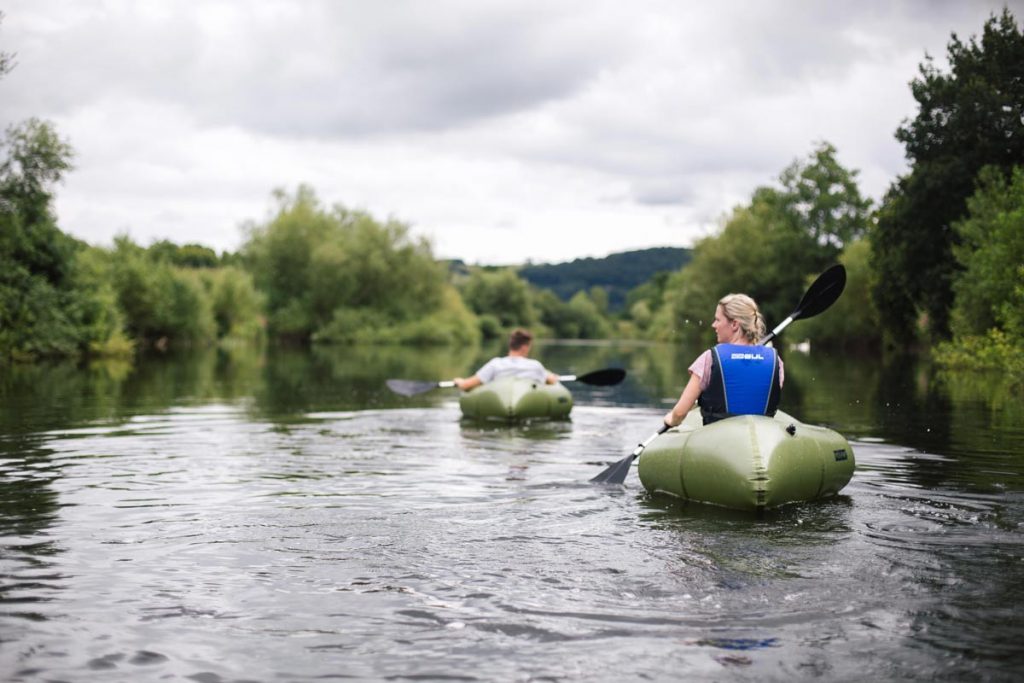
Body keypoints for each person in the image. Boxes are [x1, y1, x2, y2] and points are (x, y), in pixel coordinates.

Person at [663, 293, 784, 428]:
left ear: (734, 324)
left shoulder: (710, 358)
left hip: (719, 439)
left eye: (718, 320)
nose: (713, 325)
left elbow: (679, 413)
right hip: (762, 434)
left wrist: (671, 420)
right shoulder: (775, 361)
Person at [454, 328, 559, 391]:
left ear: (511, 344)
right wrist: (553, 376)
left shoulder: (495, 364)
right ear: (524, 347)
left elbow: (466, 385)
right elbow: (551, 381)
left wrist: (459, 381)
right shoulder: (535, 365)